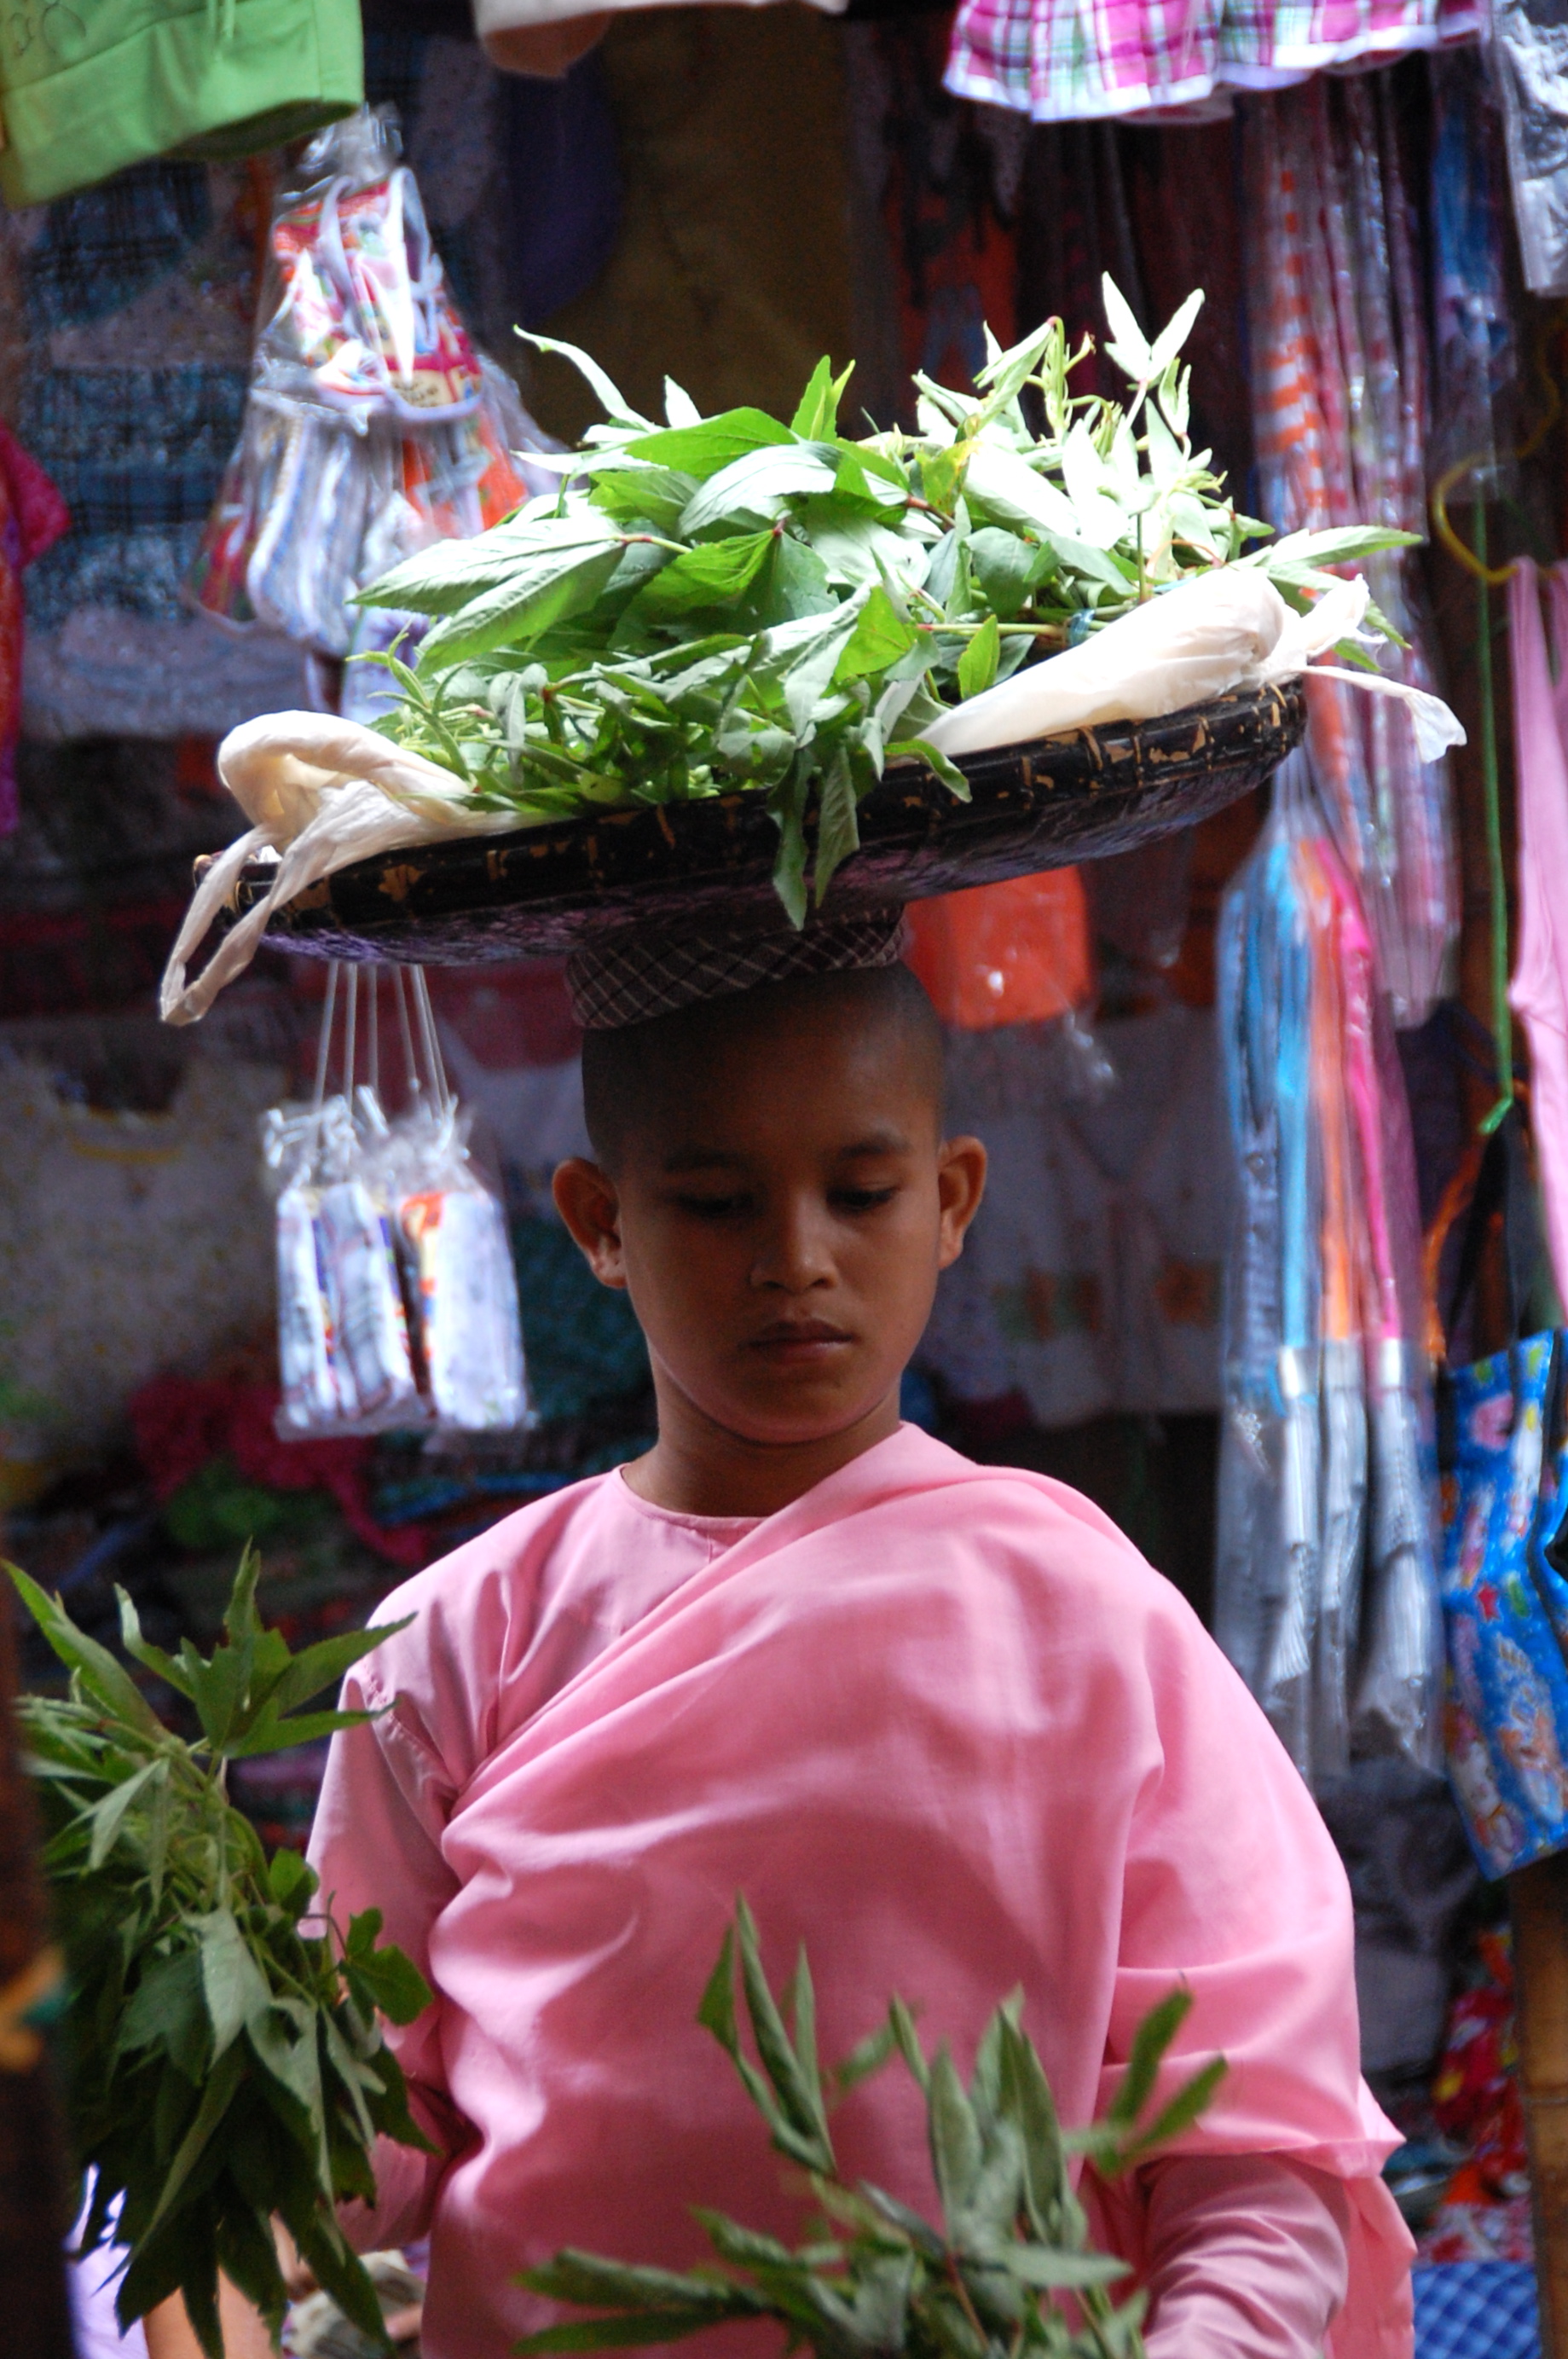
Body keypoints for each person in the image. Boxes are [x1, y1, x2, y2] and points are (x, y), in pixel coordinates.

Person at [306, 911, 1415, 2359]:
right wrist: (223, 2090)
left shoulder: (1085, 1615)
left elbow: (1249, 2139)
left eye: (862, 1190)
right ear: (598, 1222)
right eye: (716, 1201)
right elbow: (368, 2133)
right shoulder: (449, 1647)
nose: (796, 1257)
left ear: (951, 1200)